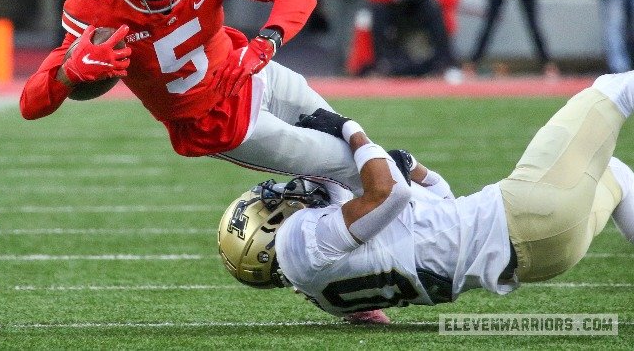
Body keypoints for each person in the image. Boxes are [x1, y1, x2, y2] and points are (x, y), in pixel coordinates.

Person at [20, 0, 392, 324]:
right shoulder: (93, 6)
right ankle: (354, 288)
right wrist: (69, 74)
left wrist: (265, 43)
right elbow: (31, 102)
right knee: (351, 169)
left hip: (250, 71)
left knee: (360, 145)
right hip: (218, 121)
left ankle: (424, 213)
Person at [218, 71, 634, 320]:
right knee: (615, 90)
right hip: (527, 214)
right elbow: (390, 194)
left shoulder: (323, 290)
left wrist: (410, 164)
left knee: (614, 174)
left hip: (545, 257)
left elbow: (439, 201)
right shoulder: (298, 246)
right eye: (270, 205)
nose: (285, 196)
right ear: (268, 230)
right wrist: (346, 127)